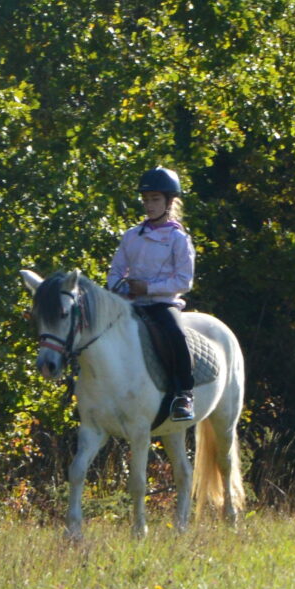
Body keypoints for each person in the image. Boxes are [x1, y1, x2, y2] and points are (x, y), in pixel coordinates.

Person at [109, 167, 199, 425]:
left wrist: (148, 288)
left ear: (169, 202)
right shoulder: (131, 236)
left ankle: (184, 393)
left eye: (155, 200)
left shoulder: (178, 239)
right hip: (131, 304)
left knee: (176, 334)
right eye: (146, 200)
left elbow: (184, 280)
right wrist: (122, 290)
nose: (149, 205)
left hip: (162, 304)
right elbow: (116, 271)